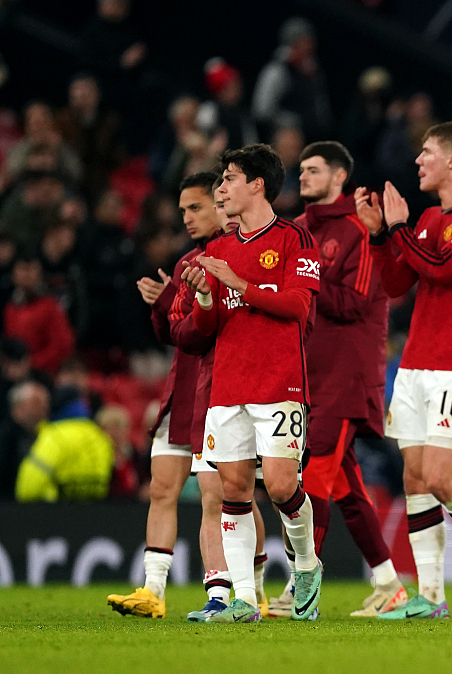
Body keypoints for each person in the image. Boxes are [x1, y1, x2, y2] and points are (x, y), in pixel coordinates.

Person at [356, 120, 452, 619]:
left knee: (443, 480)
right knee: (415, 477)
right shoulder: (424, 220)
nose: (417, 161)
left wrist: (399, 229)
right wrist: (382, 236)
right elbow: (399, 282)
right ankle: (432, 597)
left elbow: (443, 267)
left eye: (426, 153)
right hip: (416, 363)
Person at [107, 172, 268, 621]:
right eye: (182, 210)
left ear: (223, 205)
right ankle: (153, 591)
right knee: (162, 488)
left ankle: (246, 589)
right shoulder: (186, 265)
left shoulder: (244, 257)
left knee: (228, 496)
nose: (187, 218)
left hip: (225, 391)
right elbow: (175, 334)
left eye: (195, 207)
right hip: (185, 387)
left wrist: (197, 302)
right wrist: (165, 303)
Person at [181, 144, 321, 623]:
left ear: (257, 185)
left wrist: (240, 283)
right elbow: (205, 330)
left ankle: (306, 565)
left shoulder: (293, 239)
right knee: (234, 489)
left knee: (282, 487)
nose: (221, 188)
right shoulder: (216, 250)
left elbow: (300, 306)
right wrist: (203, 296)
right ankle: (242, 600)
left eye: (230, 178)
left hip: (279, 381)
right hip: (228, 386)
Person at [279, 140, 407, 617]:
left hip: (347, 376)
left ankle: (300, 586)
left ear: (338, 177)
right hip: (309, 374)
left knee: (312, 478)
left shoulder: (358, 227)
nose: (304, 176)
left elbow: (354, 302)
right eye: (302, 169)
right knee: (348, 490)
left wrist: (306, 281)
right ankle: (391, 585)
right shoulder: (295, 230)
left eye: (313, 170)